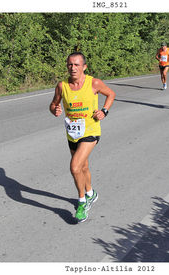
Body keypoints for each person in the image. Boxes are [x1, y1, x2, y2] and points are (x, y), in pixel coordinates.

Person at [49, 52, 116, 223]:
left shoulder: (93, 83)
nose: (73, 68)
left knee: (74, 166)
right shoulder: (62, 86)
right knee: (83, 166)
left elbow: (111, 94)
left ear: (84, 67)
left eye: (77, 65)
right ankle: (91, 193)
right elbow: (53, 104)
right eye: (70, 65)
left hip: (91, 131)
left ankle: (82, 202)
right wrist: (55, 109)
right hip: (72, 133)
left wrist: (104, 111)